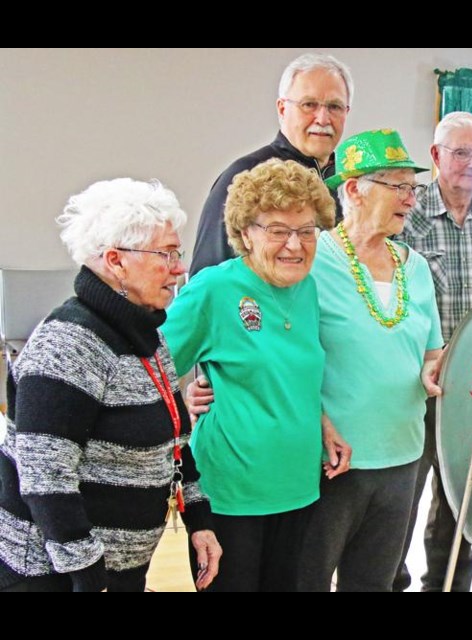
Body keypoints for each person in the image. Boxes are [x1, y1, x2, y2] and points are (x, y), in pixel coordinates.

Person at [0, 178, 220, 592]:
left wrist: (199, 521)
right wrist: (87, 576)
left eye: (178, 252)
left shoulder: (147, 336)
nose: (179, 268)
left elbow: (175, 441)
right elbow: (45, 478)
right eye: (166, 254)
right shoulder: (67, 343)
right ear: (116, 261)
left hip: (119, 570)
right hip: (52, 577)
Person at [163, 159, 339, 591]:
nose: (294, 245)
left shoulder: (308, 287)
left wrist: (323, 423)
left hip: (299, 487)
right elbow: (152, 369)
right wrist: (185, 396)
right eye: (278, 230)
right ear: (246, 233)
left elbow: (290, 374)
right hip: (231, 494)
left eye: (306, 230)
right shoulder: (213, 289)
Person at [304, 129, 444, 592]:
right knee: (307, 580)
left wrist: (434, 368)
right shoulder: (312, 258)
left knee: (374, 585)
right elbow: (283, 356)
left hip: (403, 456)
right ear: (353, 188)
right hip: (332, 461)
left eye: (413, 187)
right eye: (396, 185)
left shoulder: (417, 268)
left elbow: (431, 352)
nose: (410, 199)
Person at [392, 112, 472, 592]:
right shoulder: (406, 218)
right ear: (437, 156)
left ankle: (446, 586)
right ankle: (387, 582)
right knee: (399, 499)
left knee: (462, 503)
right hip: (410, 388)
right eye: (461, 152)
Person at [191, 53, 353, 276]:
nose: (323, 118)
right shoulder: (246, 174)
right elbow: (208, 277)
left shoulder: (352, 185)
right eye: (309, 105)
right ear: (282, 108)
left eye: (334, 106)